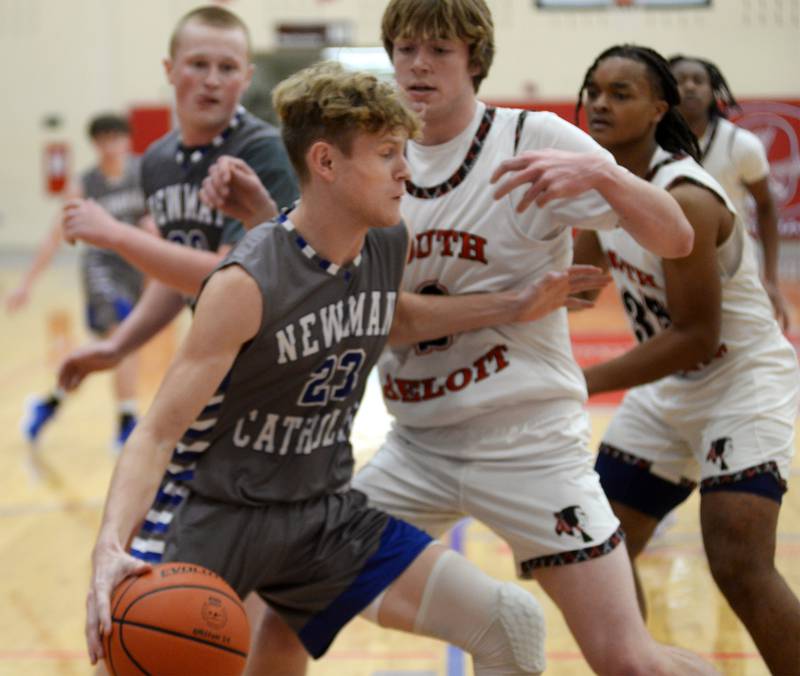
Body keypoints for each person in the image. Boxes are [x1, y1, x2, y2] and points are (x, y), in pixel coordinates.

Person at [206, 2, 720, 674]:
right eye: (408, 49)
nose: (420, 64)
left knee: (625, 658)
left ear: (474, 58)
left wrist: (604, 176)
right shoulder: (373, 155)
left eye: (440, 50)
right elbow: (358, 302)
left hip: (529, 444)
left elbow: (676, 237)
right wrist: (264, 218)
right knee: (285, 612)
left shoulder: (532, 138)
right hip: (419, 446)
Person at [85, 62, 555, 676]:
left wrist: (515, 306)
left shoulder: (388, 243)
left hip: (319, 513)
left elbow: (393, 316)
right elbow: (157, 432)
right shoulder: (245, 284)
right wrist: (108, 547)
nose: (405, 171)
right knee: (129, 657)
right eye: (388, 154)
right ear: (326, 163)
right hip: (213, 517)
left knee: (510, 626)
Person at [571, 44, 800, 675]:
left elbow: (697, 335)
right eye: (594, 89)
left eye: (621, 93)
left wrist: (579, 382)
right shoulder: (599, 184)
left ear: (658, 109)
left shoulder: (686, 195)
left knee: (737, 563)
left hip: (741, 381)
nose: (599, 101)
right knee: (595, 551)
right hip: (671, 391)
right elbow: (580, 286)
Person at [57, 5, 298, 393]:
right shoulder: (156, 160)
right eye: (198, 64)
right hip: (213, 355)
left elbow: (232, 278)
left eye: (228, 68)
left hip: (277, 363)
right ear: (169, 69)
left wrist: (117, 235)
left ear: (247, 77)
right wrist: (118, 345)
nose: (212, 81)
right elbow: (175, 277)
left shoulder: (263, 152)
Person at [6, 114, 149, 450]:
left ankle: (49, 403)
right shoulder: (84, 184)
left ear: (128, 140)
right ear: (95, 144)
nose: (111, 145)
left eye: (117, 137)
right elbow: (55, 235)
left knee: (109, 350)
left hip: (137, 268)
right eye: (103, 139)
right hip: (101, 267)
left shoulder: (145, 174)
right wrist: (26, 283)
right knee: (122, 333)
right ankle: (127, 421)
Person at [669, 54, 789, 330]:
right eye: (680, 80)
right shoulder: (654, 146)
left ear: (713, 92)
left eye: (698, 80)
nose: (689, 86)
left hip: (733, 266)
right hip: (672, 266)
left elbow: (766, 206)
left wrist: (770, 278)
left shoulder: (741, 144)